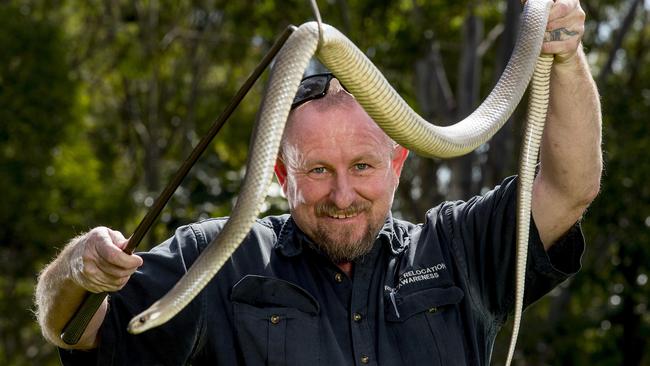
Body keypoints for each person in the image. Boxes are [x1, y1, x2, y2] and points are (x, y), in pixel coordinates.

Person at [35, 1, 602, 364]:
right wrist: (77, 268)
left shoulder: (456, 249)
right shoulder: (215, 257)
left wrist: (567, 56)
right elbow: (72, 330)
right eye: (317, 170)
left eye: (361, 166)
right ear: (280, 176)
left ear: (397, 163)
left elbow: (570, 187)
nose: (342, 195)